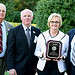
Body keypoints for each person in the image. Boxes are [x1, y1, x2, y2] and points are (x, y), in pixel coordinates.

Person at [6, 9, 41, 75]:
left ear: (32, 18)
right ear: (21, 18)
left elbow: (38, 49)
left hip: (32, 68)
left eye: (29, 16)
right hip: (18, 68)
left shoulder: (37, 31)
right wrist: (11, 68)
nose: (27, 18)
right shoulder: (14, 31)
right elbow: (10, 51)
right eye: (24, 16)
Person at [0, 3, 13, 75]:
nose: (1, 13)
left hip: (3, 61)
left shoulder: (9, 26)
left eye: (3, 11)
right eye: (0, 10)